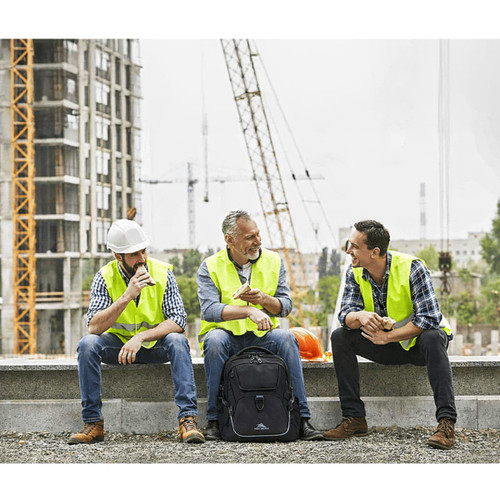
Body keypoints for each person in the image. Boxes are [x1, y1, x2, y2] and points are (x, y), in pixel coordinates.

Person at [324, 220, 457, 449]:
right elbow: (345, 314)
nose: (349, 251)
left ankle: (446, 424)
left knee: (434, 336)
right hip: (385, 344)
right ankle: (354, 418)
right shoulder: (354, 272)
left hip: (419, 346)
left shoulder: (412, 267)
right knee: (340, 336)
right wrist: (361, 316)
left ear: (374, 252)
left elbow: (429, 318)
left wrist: (388, 336)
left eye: (354, 246)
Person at [69, 219, 204, 444]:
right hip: (119, 348)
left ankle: (187, 420)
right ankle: (93, 423)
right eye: (134, 254)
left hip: (154, 346)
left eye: (143, 251)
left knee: (178, 341)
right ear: (118, 256)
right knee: (87, 344)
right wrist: (127, 295)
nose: (141, 258)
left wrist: (140, 337)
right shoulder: (105, 276)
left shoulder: (163, 272)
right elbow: (94, 326)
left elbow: (178, 320)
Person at [197, 210, 323, 441]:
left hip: (263, 336)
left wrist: (263, 300)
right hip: (226, 336)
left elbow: (285, 306)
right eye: (250, 237)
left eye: (258, 235)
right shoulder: (210, 266)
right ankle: (214, 420)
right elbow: (209, 310)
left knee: (287, 339)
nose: (258, 241)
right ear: (229, 240)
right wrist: (248, 311)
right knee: (213, 342)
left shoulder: (274, 261)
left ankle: (303, 419)